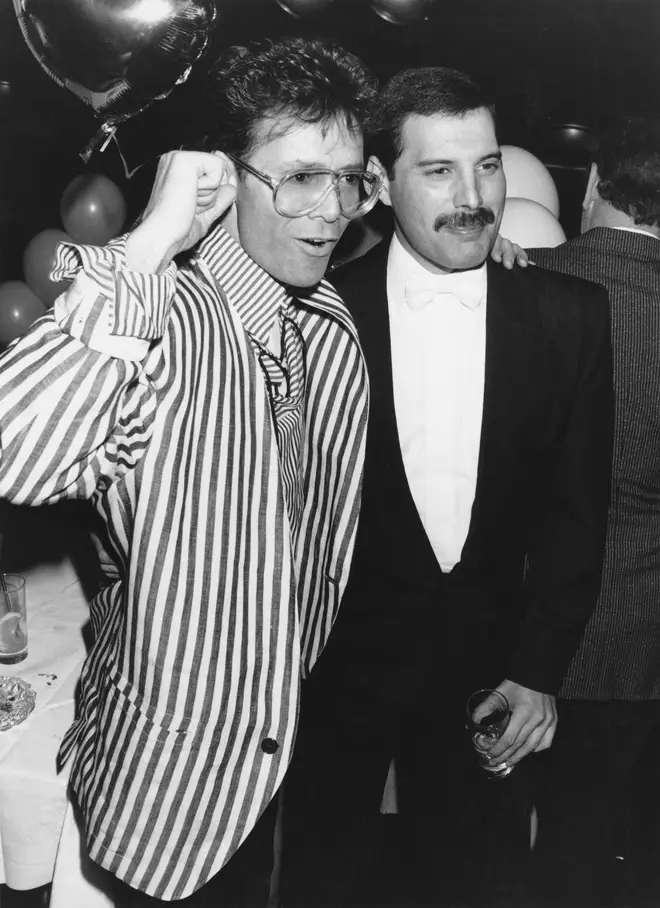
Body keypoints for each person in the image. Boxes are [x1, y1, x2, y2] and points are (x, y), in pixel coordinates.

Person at [0, 37, 382, 906]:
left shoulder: (330, 331)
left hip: (270, 763)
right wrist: (151, 242)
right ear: (225, 176)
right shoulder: (161, 317)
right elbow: (13, 448)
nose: (332, 212)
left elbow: (312, 548)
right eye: (298, 178)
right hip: (166, 789)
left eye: (350, 178)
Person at [281, 66, 615, 908]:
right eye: (438, 171)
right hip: (331, 683)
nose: (474, 197)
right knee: (322, 879)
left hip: (488, 683)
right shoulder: (318, 314)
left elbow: (579, 516)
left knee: (471, 882)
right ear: (380, 186)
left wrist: (540, 671)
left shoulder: (572, 316)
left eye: (489, 164)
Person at [528, 117, 660, 908]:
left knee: (480, 847)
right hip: (639, 650)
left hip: (511, 634)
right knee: (601, 856)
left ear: (587, 187)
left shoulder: (509, 282)